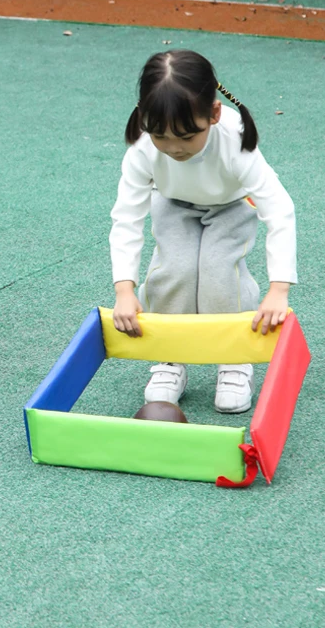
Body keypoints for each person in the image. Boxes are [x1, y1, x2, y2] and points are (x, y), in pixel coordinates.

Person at [109, 49, 296, 413]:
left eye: (187, 136)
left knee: (217, 268)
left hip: (230, 206)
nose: (174, 147)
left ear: (212, 114)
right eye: (161, 136)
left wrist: (279, 289)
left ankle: (235, 357)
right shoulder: (143, 147)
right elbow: (127, 218)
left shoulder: (234, 142)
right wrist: (124, 290)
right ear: (143, 114)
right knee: (175, 269)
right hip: (173, 203)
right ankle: (170, 356)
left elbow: (280, 211)